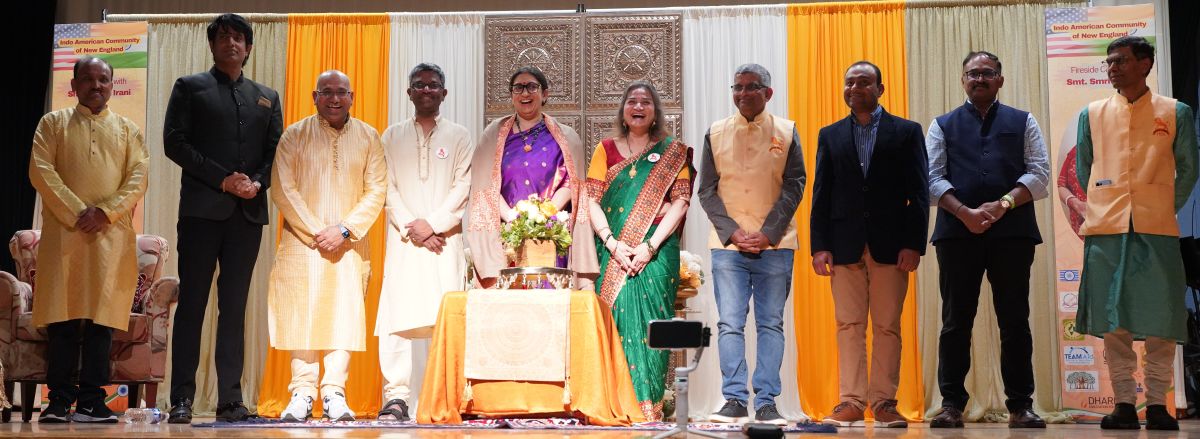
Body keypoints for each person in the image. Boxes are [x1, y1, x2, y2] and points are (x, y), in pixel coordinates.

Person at [1074, 36, 1198, 431]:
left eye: (1121, 61)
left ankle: (1158, 404)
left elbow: (1188, 168)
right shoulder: (1092, 113)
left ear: (1145, 64)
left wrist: (1163, 205)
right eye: (1109, 62)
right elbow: (1084, 168)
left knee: (1161, 317)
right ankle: (1124, 403)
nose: (1112, 68)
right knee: (1114, 319)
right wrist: (1105, 201)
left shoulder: (1175, 111)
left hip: (1156, 228)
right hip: (1106, 228)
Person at [163, 13, 282, 423]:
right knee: (192, 304)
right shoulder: (190, 87)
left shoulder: (266, 96)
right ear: (212, 45)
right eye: (223, 37)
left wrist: (257, 183)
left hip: (247, 216)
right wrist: (223, 179)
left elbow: (275, 152)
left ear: (248, 48)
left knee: (234, 308)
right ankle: (182, 398)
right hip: (201, 212)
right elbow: (174, 143)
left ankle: (231, 400)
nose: (231, 43)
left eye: (238, 38)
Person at [925, 51, 1050, 429]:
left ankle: (1020, 406)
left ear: (1000, 80)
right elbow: (931, 177)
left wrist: (1003, 204)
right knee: (955, 322)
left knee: (1015, 320)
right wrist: (964, 212)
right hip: (957, 235)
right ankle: (951, 404)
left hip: (1012, 234)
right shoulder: (941, 125)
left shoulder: (1024, 120)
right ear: (963, 80)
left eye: (987, 73)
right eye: (972, 74)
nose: (979, 79)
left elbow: (1040, 173)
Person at [28, 57, 149, 423]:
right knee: (63, 320)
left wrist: (105, 213)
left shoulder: (128, 130)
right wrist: (79, 211)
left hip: (110, 239)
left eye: (103, 80)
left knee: (101, 322)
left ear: (112, 85)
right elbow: (40, 170)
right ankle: (58, 402)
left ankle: (92, 402)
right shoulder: (52, 124)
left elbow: (139, 177)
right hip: (64, 236)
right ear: (74, 85)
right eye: (88, 79)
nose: (96, 85)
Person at [811, 61, 928, 428]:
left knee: (887, 325)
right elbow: (821, 194)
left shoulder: (906, 132)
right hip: (843, 245)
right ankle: (850, 401)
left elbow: (919, 193)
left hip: (892, 245)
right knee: (848, 324)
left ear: (880, 89)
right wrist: (819, 245)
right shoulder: (829, 135)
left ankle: (883, 402)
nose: (855, 88)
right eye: (850, 82)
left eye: (864, 82)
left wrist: (913, 244)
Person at [270, 70, 388, 422]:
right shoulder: (294, 135)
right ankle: (302, 393)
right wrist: (317, 232)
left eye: (341, 92)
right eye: (327, 92)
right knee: (301, 313)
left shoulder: (368, 137)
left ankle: (335, 392)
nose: (334, 99)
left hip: (348, 245)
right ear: (314, 96)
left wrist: (344, 230)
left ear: (352, 97)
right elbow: (282, 187)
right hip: (302, 244)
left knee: (342, 314)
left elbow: (377, 189)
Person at [699, 64, 805, 426]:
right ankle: (733, 399)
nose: (742, 94)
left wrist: (769, 232)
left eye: (751, 87)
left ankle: (766, 402)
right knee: (729, 323)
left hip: (775, 245)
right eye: (737, 87)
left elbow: (795, 184)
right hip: (728, 246)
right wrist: (732, 232)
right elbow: (706, 190)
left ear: (768, 93)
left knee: (770, 324)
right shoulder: (715, 132)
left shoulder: (786, 131)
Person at [585, 81, 694, 422]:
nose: (638, 107)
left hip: (657, 252)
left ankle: (649, 409)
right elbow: (591, 201)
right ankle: (615, 404)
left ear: (655, 112)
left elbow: (681, 202)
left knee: (652, 326)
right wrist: (611, 242)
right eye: (632, 101)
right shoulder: (605, 150)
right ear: (622, 110)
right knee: (614, 322)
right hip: (612, 250)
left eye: (646, 102)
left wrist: (649, 247)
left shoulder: (672, 151)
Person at [376, 63, 474, 421]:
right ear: (409, 93)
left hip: (443, 242)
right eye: (419, 85)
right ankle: (396, 397)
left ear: (444, 93)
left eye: (433, 85)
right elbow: (385, 188)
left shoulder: (460, 136)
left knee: (444, 314)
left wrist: (432, 225)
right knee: (397, 316)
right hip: (404, 241)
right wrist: (413, 228)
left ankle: (444, 394)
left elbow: (463, 186)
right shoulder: (391, 136)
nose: (427, 90)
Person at [465, 66, 597, 288]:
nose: (525, 93)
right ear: (511, 95)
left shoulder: (567, 137)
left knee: (550, 295)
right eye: (518, 88)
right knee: (511, 297)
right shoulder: (493, 135)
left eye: (532, 87)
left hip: (550, 233)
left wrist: (544, 215)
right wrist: (514, 218)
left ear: (544, 94)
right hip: (508, 232)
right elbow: (484, 185)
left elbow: (572, 183)